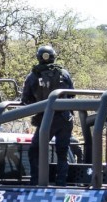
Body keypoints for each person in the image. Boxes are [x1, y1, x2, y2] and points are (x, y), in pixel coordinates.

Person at [20, 45, 75, 185]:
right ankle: (61, 183)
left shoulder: (33, 75)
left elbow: (26, 99)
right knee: (62, 153)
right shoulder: (64, 73)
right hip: (65, 118)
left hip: (46, 120)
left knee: (35, 150)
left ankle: (36, 182)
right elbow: (72, 94)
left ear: (38, 57)